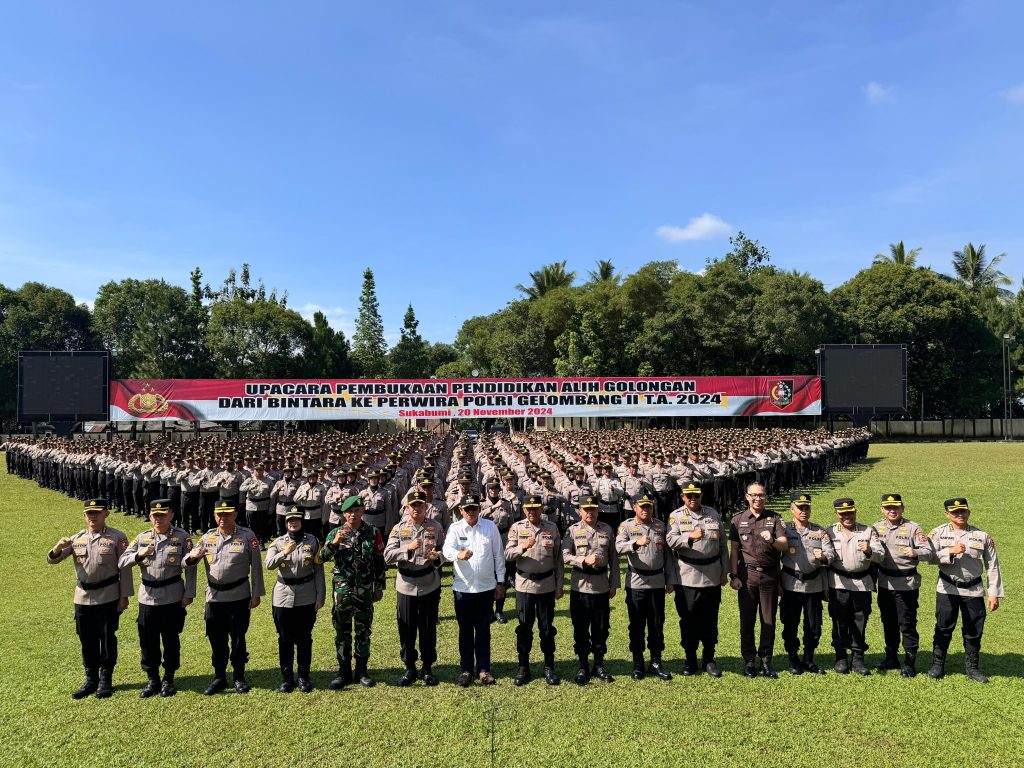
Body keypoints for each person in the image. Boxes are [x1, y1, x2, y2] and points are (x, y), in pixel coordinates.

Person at [47, 498, 132, 699]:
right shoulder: (77, 538)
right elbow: (53, 559)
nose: (93, 517)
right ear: (85, 516)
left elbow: (125, 568)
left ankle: (105, 679)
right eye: (89, 513)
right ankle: (91, 678)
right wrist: (58, 547)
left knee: (107, 638)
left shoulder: (117, 537)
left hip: (109, 595)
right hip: (83, 597)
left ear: (106, 514)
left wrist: (124, 596)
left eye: (97, 512)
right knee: (86, 640)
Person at [185, 500, 265, 694]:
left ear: (235, 515)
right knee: (215, 637)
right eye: (219, 514)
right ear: (214, 516)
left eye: (227, 514)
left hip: (239, 595)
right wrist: (194, 556)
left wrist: (256, 594)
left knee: (238, 637)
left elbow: (256, 567)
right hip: (214, 597)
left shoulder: (247, 536)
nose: (223, 518)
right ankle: (219, 676)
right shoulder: (207, 537)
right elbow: (188, 562)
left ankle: (239, 676)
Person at [119, 498, 196, 697]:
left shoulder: (181, 537)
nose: (158, 519)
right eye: (155, 516)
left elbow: (191, 565)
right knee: (147, 640)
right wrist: (139, 555)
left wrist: (189, 593)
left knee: (171, 638)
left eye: (162, 515)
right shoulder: (143, 538)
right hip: (148, 597)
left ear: (171, 515)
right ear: (150, 517)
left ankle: (169, 678)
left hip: (172, 595)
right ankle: (152, 679)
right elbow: (122, 561)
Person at [926, 498, 1003, 683]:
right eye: (955, 512)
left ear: (969, 512)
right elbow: (928, 557)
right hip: (947, 588)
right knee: (943, 627)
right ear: (947, 514)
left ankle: (972, 668)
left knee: (974, 630)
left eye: (963, 511)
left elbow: (993, 565)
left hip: (974, 590)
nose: (959, 515)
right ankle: (938, 664)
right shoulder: (937, 533)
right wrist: (949, 552)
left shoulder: (982, 536)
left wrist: (994, 593)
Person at [666, 482, 729, 677]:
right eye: (689, 496)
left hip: (711, 574)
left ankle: (709, 659)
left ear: (701, 496)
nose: (693, 499)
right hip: (687, 575)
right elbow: (670, 541)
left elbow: (723, 545)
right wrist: (690, 538)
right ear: (683, 497)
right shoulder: (676, 516)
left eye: (696, 496)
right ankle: (690, 658)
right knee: (688, 619)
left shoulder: (712, 514)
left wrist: (724, 571)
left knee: (710, 619)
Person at [321, 495, 386, 688]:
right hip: (343, 590)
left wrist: (379, 586)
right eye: (349, 511)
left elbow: (379, 561)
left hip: (365, 589)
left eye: (357, 511)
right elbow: (322, 557)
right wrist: (334, 543)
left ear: (362, 511)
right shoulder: (335, 533)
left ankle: (361, 671)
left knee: (363, 630)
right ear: (343, 514)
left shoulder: (372, 532)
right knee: (342, 630)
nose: (353, 514)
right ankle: (343, 672)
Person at [442, 494, 506, 687]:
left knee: (484, 631)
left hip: (486, 588)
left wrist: (501, 582)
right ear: (461, 511)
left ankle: (484, 669)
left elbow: (498, 556)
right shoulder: (455, 528)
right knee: (465, 632)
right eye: (467, 509)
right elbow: (446, 551)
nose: (471, 512)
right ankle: (467, 669)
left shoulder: (490, 527)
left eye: (474, 508)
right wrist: (458, 554)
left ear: (480, 509)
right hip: (463, 588)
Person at [384, 490, 445, 686]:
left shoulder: (435, 527)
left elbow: (445, 551)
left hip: (429, 583)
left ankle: (427, 666)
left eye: (420, 504)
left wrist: (438, 557)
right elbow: (387, 555)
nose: (417, 508)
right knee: (406, 627)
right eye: (413, 505)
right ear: (407, 508)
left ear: (426, 506)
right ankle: (409, 666)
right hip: (406, 585)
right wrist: (407, 549)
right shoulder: (399, 528)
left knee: (428, 627)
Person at [729, 482, 787, 678]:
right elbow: (735, 550)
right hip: (747, 576)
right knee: (747, 620)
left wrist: (771, 539)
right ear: (747, 497)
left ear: (766, 497)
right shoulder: (737, 520)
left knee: (768, 620)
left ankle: (766, 660)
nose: (757, 499)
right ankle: (749, 660)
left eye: (761, 495)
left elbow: (784, 545)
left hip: (770, 575)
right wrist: (734, 575)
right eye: (753, 495)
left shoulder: (775, 518)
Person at [505, 495, 564, 686]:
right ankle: (524, 667)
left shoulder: (551, 528)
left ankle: (549, 666)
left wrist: (559, 584)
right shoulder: (517, 528)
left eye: (535, 508)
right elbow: (507, 554)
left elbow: (558, 560)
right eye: (528, 508)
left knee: (547, 629)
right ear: (524, 510)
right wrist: (521, 547)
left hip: (546, 584)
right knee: (524, 628)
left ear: (541, 509)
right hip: (525, 585)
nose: (532, 512)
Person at [872, 493, 933, 676]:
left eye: (896, 507)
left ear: (902, 508)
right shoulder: (875, 528)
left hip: (906, 584)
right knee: (888, 622)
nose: (892, 510)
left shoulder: (913, 528)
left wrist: (915, 552)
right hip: (885, 582)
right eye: (888, 508)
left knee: (906, 624)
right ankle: (891, 657)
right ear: (882, 509)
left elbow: (928, 551)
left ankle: (909, 662)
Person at [265, 507, 325, 693]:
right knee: (285, 638)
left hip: (307, 595)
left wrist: (320, 595)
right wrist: (284, 552)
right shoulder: (277, 543)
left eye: (296, 520)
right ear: (286, 523)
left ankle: (304, 676)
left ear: (301, 521)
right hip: (283, 595)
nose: (293, 523)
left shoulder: (313, 541)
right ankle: (287, 677)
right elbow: (268, 565)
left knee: (305, 638)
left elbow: (319, 571)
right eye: (290, 520)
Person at [561, 496, 619, 684]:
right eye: (586, 509)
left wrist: (614, 583)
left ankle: (599, 664)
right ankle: (583, 665)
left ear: (598, 510)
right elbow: (565, 556)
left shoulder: (607, 530)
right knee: (580, 628)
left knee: (601, 628)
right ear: (580, 511)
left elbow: (614, 560)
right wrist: (582, 560)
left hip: (601, 586)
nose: (590, 512)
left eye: (593, 509)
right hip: (580, 586)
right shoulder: (573, 530)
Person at [615, 493, 673, 681]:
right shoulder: (627, 526)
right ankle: (638, 662)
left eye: (648, 506)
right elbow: (618, 547)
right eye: (642, 506)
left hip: (657, 581)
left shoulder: (660, 526)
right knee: (637, 625)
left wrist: (669, 579)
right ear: (635, 507)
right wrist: (635, 543)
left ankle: (656, 661)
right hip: (636, 582)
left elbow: (667, 555)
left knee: (656, 624)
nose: (645, 509)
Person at [826, 498, 884, 675]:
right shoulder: (829, 532)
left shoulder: (868, 531)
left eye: (850, 512)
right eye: (843, 514)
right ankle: (841, 656)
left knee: (860, 619)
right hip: (838, 582)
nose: (847, 517)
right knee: (839, 620)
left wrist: (869, 550)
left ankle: (858, 658)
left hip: (861, 583)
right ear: (836, 514)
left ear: (855, 511)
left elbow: (880, 555)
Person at [779, 492, 835, 675]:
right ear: (792, 509)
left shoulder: (819, 531)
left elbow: (831, 554)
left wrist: (824, 557)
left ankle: (808, 658)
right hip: (791, 584)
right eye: (799, 507)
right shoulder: (784, 530)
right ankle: (793, 657)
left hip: (814, 585)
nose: (803, 511)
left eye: (806, 507)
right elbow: (774, 556)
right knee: (790, 623)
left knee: (813, 625)